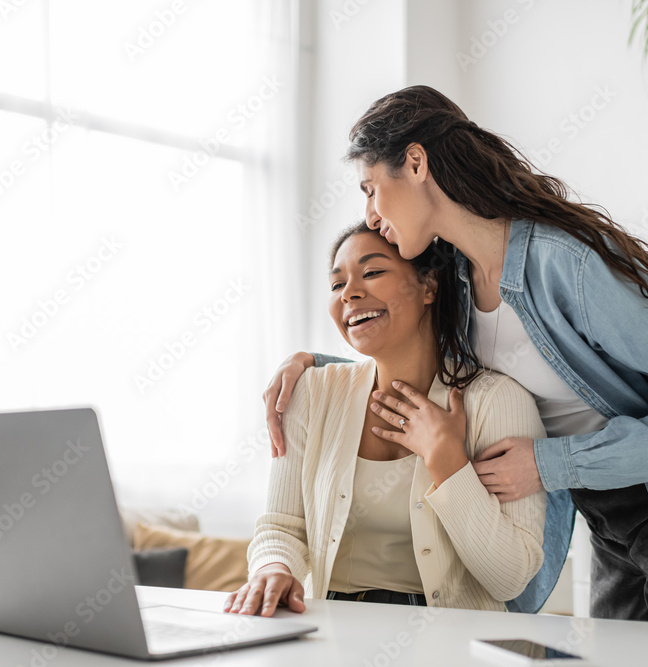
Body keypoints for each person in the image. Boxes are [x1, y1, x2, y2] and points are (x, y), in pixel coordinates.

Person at [262, 85, 648, 627]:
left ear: (415, 162)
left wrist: (551, 464)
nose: (369, 213)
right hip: (600, 516)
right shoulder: (459, 281)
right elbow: (410, 356)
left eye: (370, 188)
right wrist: (315, 364)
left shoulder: (565, 265)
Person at [224, 221, 547, 617]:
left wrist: (448, 462)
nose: (350, 293)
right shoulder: (310, 392)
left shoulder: (499, 402)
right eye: (336, 284)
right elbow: (282, 528)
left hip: (452, 645)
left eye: (372, 272)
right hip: (330, 632)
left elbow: (510, 579)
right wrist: (274, 567)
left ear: (428, 286)